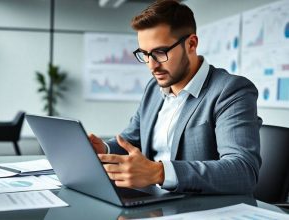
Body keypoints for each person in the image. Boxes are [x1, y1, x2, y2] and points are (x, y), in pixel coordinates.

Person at [89, 0, 262, 194]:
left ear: (191, 44)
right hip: (153, 203)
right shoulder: (154, 89)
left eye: (160, 52)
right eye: (145, 54)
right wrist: (104, 149)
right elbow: (132, 141)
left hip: (200, 209)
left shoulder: (230, 90)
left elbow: (243, 171)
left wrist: (159, 173)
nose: (151, 65)